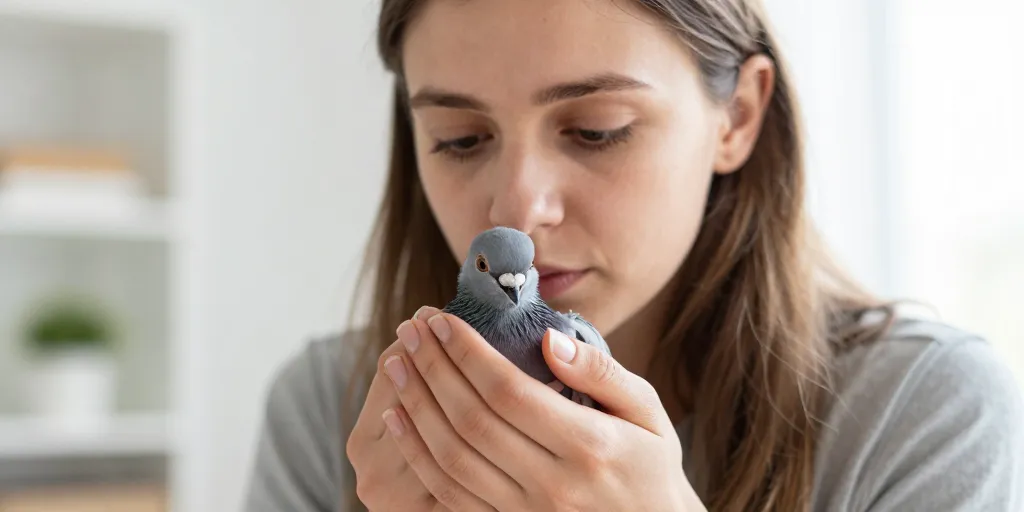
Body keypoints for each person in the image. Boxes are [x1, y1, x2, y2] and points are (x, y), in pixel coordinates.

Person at [243, 0, 1024, 510]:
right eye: (461, 139)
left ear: (737, 117)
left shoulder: (921, 416)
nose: (517, 209)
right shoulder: (331, 413)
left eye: (597, 131)